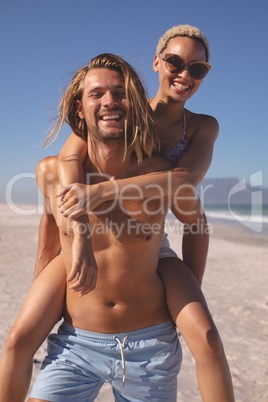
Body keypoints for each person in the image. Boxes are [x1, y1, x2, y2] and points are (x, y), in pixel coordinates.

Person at [0, 54, 234, 401]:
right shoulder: (51, 172)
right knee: (17, 341)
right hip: (76, 345)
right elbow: (50, 223)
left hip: (148, 347)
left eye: (120, 93)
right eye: (97, 94)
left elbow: (197, 225)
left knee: (210, 340)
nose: (110, 101)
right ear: (80, 109)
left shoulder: (158, 177)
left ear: (136, 106)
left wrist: (187, 290)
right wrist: (43, 291)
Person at [54, 24, 218, 289]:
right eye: (175, 63)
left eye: (197, 68)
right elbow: (68, 155)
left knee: (198, 318)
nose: (185, 74)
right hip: (102, 225)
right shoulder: (127, 111)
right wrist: (81, 231)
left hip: (152, 237)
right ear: (157, 62)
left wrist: (192, 287)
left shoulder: (203, 126)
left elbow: (185, 179)